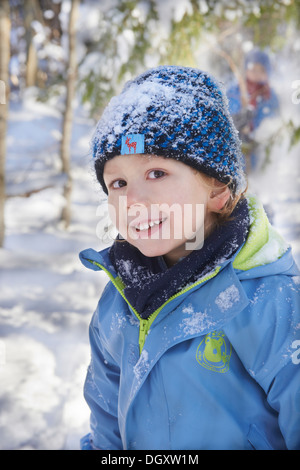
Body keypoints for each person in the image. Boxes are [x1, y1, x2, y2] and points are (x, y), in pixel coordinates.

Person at [79, 65, 300, 450]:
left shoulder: (268, 301)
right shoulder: (118, 301)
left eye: (157, 172)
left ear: (218, 189)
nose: (132, 200)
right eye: (118, 183)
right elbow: (105, 421)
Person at [227, 49, 280, 172]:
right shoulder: (235, 90)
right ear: (246, 69)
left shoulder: (269, 96)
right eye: (252, 68)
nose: (256, 73)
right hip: (236, 147)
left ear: (267, 72)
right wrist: (239, 118)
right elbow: (227, 112)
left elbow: (273, 118)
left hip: (258, 148)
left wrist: (256, 124)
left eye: (261, 70)